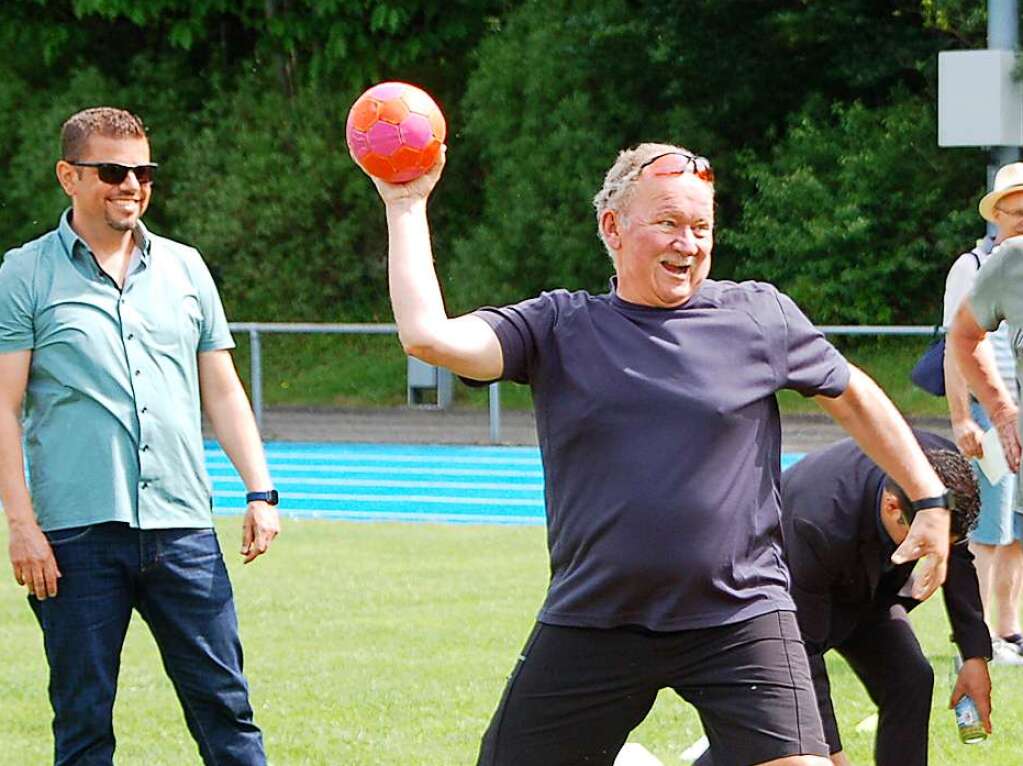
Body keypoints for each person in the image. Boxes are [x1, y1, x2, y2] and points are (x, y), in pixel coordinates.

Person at [361, 141, 955, 766]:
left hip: (741, 612)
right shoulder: (558, 327)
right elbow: (430, 338)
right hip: (597, 615)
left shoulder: (758, 315)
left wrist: (929, 496)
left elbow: (853, 392)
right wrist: (406, 204)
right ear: (612, 228)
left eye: (701, 227)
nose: (689, 243)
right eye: (668, 223)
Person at [0, 107, 279, 765]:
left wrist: (259, 490)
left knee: (226, 712)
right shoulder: (24, 273)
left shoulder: (185, 268)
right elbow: (4, 406)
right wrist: (21, 525)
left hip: (182, 529)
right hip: (75, 537)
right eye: (113, 171)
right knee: (83, 722)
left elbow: (222, 389)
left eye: (143, 171)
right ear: (69, 176)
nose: (132, 184)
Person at [695, 433, 991, 766]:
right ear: (893, 506)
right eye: (924, 543)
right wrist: (833, 754)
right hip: (782, 595)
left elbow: (959, 556)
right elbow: (802, 648)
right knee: (783, 731)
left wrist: (974, 655)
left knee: (911, 677)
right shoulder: (818, 521)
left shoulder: (943, 471)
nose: (931, 553)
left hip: (868, 589)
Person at [943, 166, 1023, 663]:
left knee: (1017, 526)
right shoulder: (974, 266)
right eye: (1014, 214)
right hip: (990, 413)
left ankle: (1009, 630)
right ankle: (979, 636)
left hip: (1015, 412)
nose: (1022, 223)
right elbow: (958, 345)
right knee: (989, 528)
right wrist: (965, 418)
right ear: (995, 215)